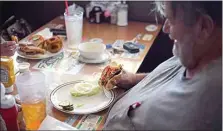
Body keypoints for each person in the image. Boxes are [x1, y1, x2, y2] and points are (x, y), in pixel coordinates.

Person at [103, 1, 222, 130]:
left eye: (171, 19)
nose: (165, 28)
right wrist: (133, 79)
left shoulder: (203, 107)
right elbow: (171, 76)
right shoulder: (197, 51)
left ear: (203, 27)